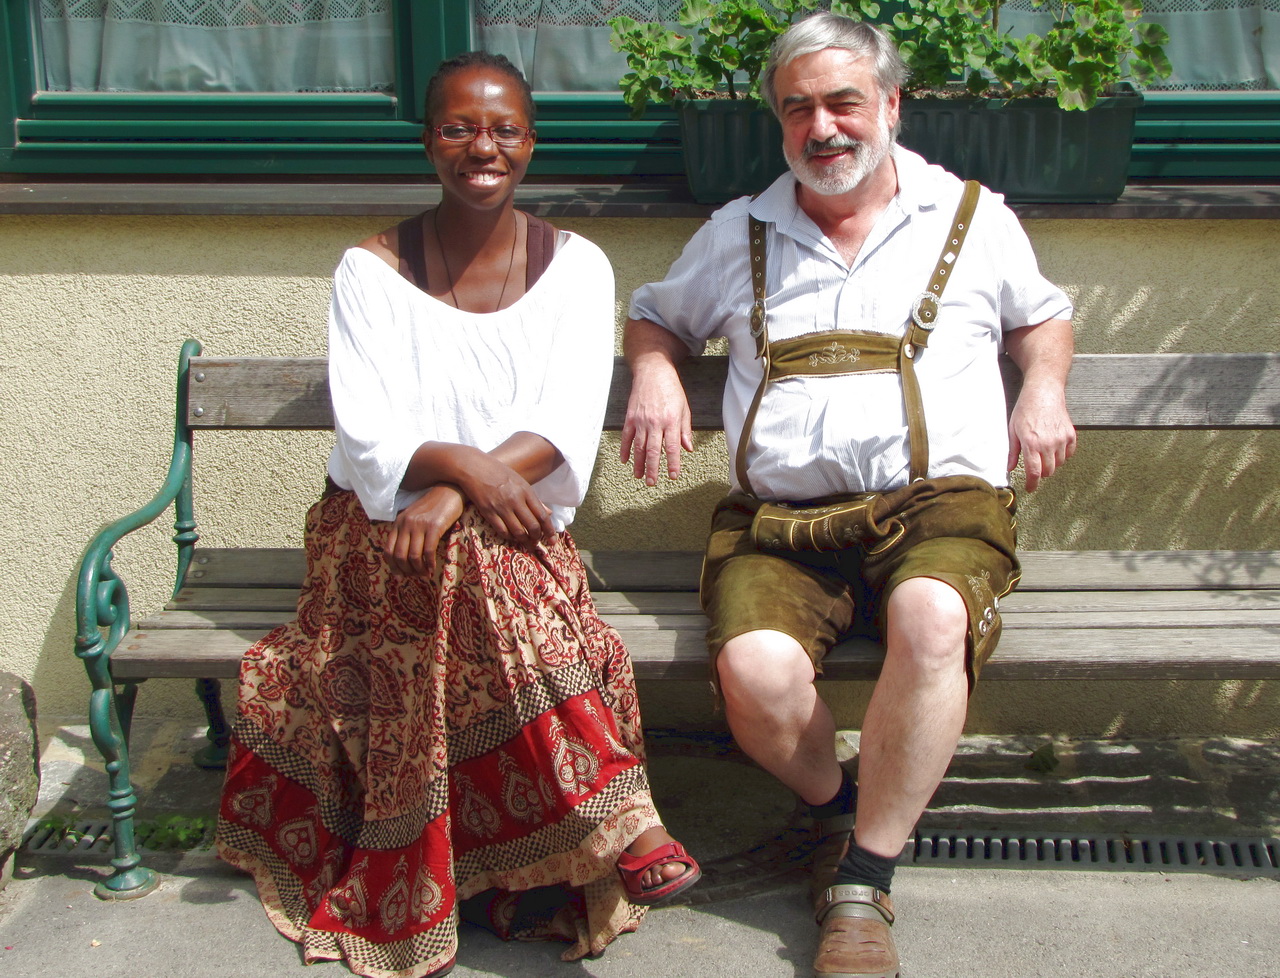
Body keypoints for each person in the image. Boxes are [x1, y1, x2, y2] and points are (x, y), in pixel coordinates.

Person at [216, 51, 699, 978]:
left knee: (474, 554)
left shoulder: (578, 267)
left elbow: (565, 424)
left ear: (532, 143)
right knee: (470, 561)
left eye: (504, 129)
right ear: (428, 141)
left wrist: (455, 491)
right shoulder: (368, 271)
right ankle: (622, 821)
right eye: (459, 128)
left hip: (503, 523)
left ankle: (570, 837)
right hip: (374, 531)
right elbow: (368, 434)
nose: (484, 147)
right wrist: (462, 474)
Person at [621, 12, 1075, 978]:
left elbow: (1042, 318)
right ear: (779, 123)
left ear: (891, 105)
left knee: (931, 617)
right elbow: (656, 315)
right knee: (755, 674)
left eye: (842, 103)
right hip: (780, 525)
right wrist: (656, 369)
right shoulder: (739, 231)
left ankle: (863, 882)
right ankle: (838, 813)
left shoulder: (970, 217)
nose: (821, 128)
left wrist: (1042, 387)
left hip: (940, 508)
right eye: (798, 110)